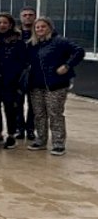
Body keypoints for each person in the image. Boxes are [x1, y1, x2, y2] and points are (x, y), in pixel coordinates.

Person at [26, 17, 85, 156]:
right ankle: (41, 140)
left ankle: (58, 143)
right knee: (39, 114)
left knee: (55, 113)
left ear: (50, 27)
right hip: (36, 85)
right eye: (37, 27)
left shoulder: (60, 41)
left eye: (43, 27)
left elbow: (79, 51)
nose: (40, 29)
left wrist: (67, 65)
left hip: (56, 84)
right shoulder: (32, 44)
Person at [0, 13, 27, 150]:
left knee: (10, 109)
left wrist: (15, 77)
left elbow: (22, 62)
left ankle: (12, 135)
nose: (2, 25)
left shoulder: (18, 42)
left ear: (10, 25)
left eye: (5, 23)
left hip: (10, 81)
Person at [17, 6, 37, 140]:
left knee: (33, 104)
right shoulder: (15, 33)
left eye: (30, 15)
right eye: (25, 15)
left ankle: (30, 129)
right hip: (18, 74)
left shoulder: (40, 32)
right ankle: (20, 129)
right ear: (20, 17)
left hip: (35, 74)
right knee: (17, 103)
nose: (27, 17)